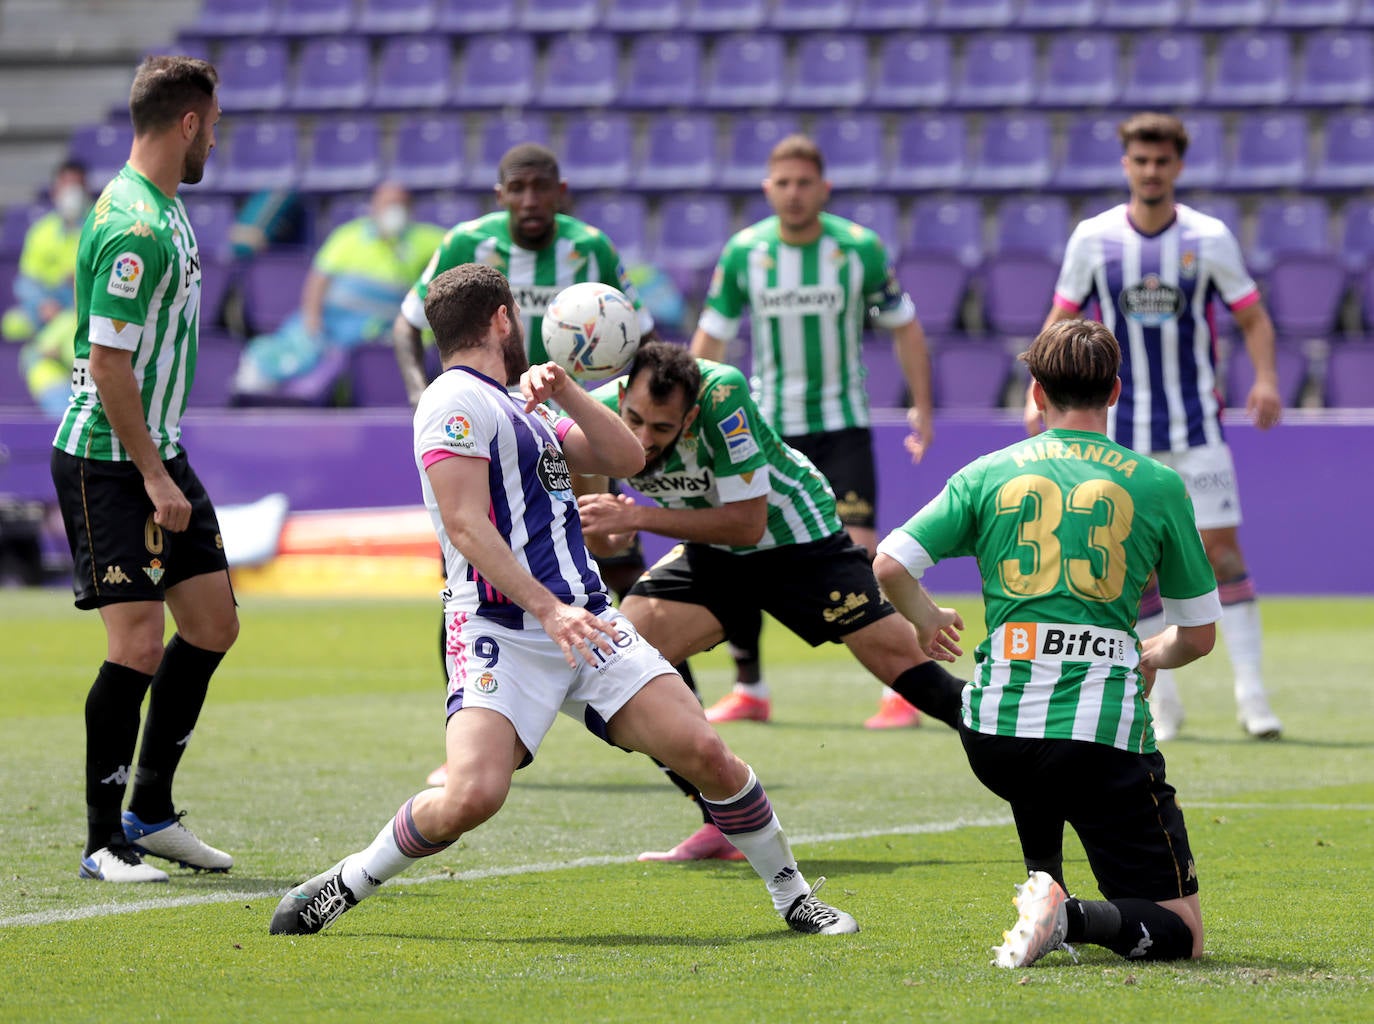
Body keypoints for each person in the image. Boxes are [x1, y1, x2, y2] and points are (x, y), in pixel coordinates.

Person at [269, 263, 858, 938]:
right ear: (501, 319)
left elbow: (629, 457)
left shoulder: (525, 400)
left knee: (707, 753)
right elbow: (465, 524)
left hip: (590, 622)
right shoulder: (454, 401)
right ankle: (343, 884)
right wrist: (548, 610)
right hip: (503, 629)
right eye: (518, 316)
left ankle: (793, 896)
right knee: (471, 797)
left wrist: (570, 392)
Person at [875, 319, 1219, 967]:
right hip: (1097, 740)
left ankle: (1042, 879)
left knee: (1036, 761)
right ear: (1115, 392)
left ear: (1036, 393)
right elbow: (1198, 637)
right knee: (1182, 937)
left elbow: (890, 563)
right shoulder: (1156, 484)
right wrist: (1151, 655)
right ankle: (1069, 916)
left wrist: (924, 618)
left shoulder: (987, 472)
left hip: (994, 735)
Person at [575, 341, 967, 862]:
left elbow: (748, 521)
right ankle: (721, 816)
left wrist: (637, 518)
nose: (643, 439)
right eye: (635, 421)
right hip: (713, 554)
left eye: (662, 429)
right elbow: (603, 542)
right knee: (622, 664)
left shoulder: (723, 395)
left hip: (799, 542)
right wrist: (606, 529)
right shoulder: (593, 417)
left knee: (918, 677)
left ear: (690, 415)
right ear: (622, 395)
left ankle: (1029, 749)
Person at [1027, 112, 1282, 742]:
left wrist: (1267, 378)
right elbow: (1060, 318)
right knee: (1135, 570)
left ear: (1178, 167)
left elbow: (1252, 317)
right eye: (1140, 161)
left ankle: (1252, 697)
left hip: (1197, 428)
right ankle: (1161, 703)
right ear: (1126, 166)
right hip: (1122, 434)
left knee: (1222, 551)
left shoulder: (1209, 237)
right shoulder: (1094, 237)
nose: (1150, 171)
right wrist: (1040, 394)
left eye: (1161, 161)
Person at [48, 55, 238, 883]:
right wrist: (154, 477)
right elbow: (108, 363)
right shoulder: (136, 225)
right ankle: (103, 840)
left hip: (158, 448)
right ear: (190, 122)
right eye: (215, 125)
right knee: (136, 645)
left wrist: (164, 463)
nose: (215, 141)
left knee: (213, 624)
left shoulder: (164, 208)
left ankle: (151, 812)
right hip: (111, 460)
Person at [690, 134, 936, 730]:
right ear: (767, 188)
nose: (794, 193)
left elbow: (904, 326)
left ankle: (901, 688)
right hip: (767, 429)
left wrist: (921, 404)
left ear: (823, 188)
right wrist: (692, 413)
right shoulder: (745, 252)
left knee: (857, 557)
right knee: (739, 552)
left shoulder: (858, 250)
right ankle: (750, 688)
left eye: (805, 183)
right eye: (784, 183)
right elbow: (710, 341)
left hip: (841, 427)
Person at [233, 181, 443, 398]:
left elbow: (467, 247)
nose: (393, 210)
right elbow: (318, 282)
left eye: (399, 204)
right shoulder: (347, 236)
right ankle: (268, 390)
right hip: (332, 319)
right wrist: (313, 322)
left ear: (410, 209)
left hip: (377, 327)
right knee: (296, 347)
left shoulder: (426, 239)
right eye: (387, 204)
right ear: (374, 206)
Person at [3, 160, 90, 416]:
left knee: (36, 355)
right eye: (65, 186)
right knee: (13, 323)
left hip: (85, 312)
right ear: (54, 191)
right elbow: (26, 283)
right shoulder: (41, 232)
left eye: (75, 186)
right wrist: (42, 302)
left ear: (86, 189)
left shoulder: (99, 226)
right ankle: (64, 417)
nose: (70, 193)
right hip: (48, 312)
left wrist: (77, 283)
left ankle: (47, 349)